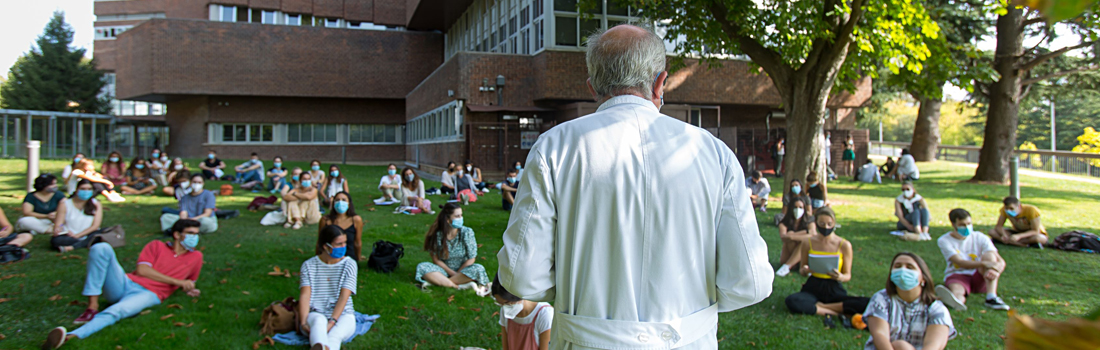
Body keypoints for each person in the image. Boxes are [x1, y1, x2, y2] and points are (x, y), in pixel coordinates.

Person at [498, 25, 772, 349]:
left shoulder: (555, 147)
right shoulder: (712, 153)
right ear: (661, 83)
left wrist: (580, 301)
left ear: (592, 87)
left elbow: (521, 275)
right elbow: (749, 282)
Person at [41, 219, 204, 349]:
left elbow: (191, 282)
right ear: (176, 234)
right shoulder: (157, 245)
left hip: (149, 294)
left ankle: (70, 336)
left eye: (196, 234)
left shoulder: (196, 256)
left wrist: (190, 289)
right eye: (190, 233)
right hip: (126, 283)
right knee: (101, 248)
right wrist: (178, 282)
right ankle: (92, 307)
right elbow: (142, 271)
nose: (194, 237)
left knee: (117, 311)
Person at [785, 207, 870, 317]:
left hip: (834, 288)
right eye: (822, 223)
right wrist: (805, 271)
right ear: (816, 223)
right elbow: (802, 269)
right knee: (793, 301)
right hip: (813, 286)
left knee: (867, 303)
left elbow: (847, 275)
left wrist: (840, 277)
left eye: (829, 224)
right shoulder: (808, 242)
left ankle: (821, 307)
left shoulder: (844, 245)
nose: (826, 227)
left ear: (834, 223)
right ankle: (834, 312)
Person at [864, 252, 956, 350]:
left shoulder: (936, 309)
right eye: (897, 266)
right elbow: (879, 335)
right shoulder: (881, 300)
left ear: (923, 278)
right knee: (900, 346)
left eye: (910, 267)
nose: (903, 270)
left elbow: (933, 346)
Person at [935, 208, 1010, 311]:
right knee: (957, 290)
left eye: (969, 223)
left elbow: (999, 259)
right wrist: (985, 264)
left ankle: (991, 297)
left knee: (990, 256)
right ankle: (956, 301)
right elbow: (960, 262)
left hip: (981, 275)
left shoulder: (980, 237)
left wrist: (996, 270)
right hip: (958, 274)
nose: (967, 227)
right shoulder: (944, 240)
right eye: (962, 225)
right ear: (953, 225)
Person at [298, 225, 357, 350]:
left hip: (343, 314)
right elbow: (305, 295)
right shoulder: (309, 265)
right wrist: (303, 323)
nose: (343, 247)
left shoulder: (350, 264)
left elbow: (343, 297)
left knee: (334, 336)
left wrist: (332, 322)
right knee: (318, 324)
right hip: (316, 313)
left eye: (345, 243)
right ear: (326, 246)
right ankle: (320, 346)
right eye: (339, 244)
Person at [416, 203, 490, 294]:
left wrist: (458, 273)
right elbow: (435, 259)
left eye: (461, 215)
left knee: (478, 268)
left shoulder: (466, 232)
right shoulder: (438, 234)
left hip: (464, 270)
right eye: (457, 216)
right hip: (443, 270)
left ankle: (440, 282)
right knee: (422, 266)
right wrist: (451, 273)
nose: (461, 218)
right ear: (448, 220)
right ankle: (458, 286)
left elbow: (471, 258)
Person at [492, 274, 554, 350]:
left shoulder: (545, 314)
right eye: (500, 304)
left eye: (507, 303)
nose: (504, 308)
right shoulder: (506, 311)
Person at [50, 180, 105, 252]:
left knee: (102, 233)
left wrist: (78, 235)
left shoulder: (96, 203)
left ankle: (73, 247)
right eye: (83, 189)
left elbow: (95, 226)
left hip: (89, 234)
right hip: (70, 236)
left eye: (89, 189)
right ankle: (86, 243)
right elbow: (59, 223)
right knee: (56, 241)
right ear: (76, 190)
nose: (86, 191)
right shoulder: (64, 204)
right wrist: (60, 229)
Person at [319, 192, 363, 261]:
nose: (340, 202)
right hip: (329, 258)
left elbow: (357, 242)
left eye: (344, 200)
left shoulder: (356, 220)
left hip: (349, 258)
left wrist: (358, 258)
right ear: (333, 203)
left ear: (349, 204)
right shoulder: (325, 220)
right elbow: (320, 242)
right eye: (337, 200)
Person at [775, 199, 814, 277]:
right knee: (791, 239)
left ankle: (788, 266)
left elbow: (813, 235)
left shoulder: (809, 221)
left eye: (800, 207)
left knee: (804, 242)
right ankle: (794, 264)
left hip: (802, 253)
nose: (798, 210)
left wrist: (791, 236)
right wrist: (804, 232)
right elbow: (784, 237)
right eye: (795, 207)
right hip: (788, 254)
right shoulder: (784, 223)